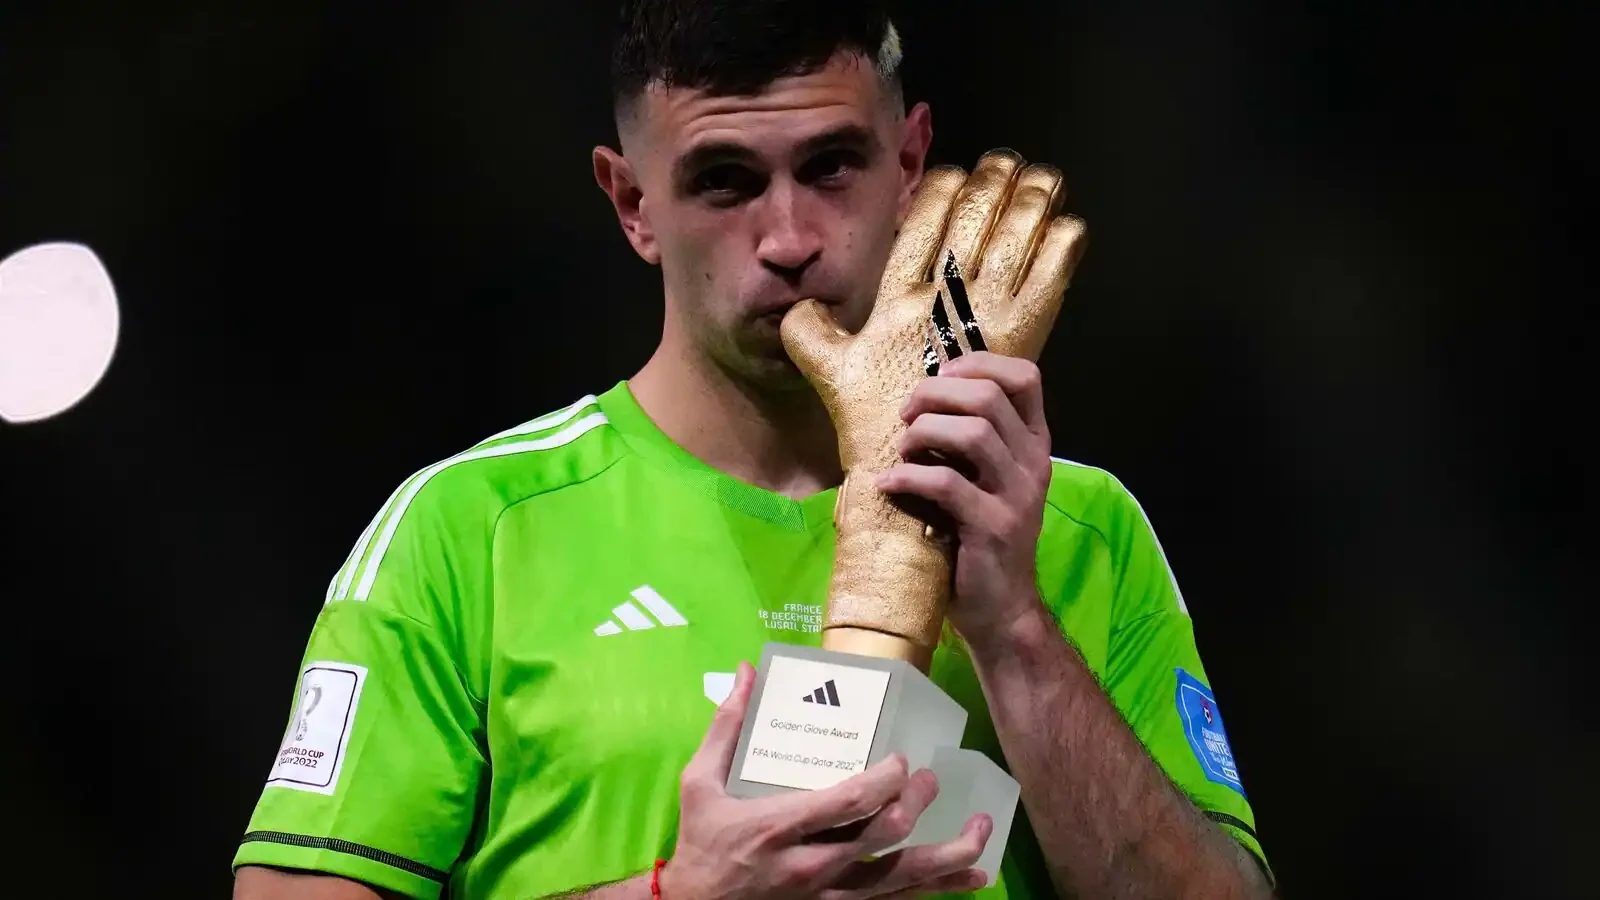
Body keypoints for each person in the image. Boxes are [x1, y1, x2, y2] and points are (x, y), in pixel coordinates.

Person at [232, 2, 1275, 898]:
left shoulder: (1075, 526)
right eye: (725, 182)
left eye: (830, 166)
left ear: (909, 163)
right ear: (632, 203)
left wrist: (1012, 629)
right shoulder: (469, 533)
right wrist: (682, 893)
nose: (787, 238)